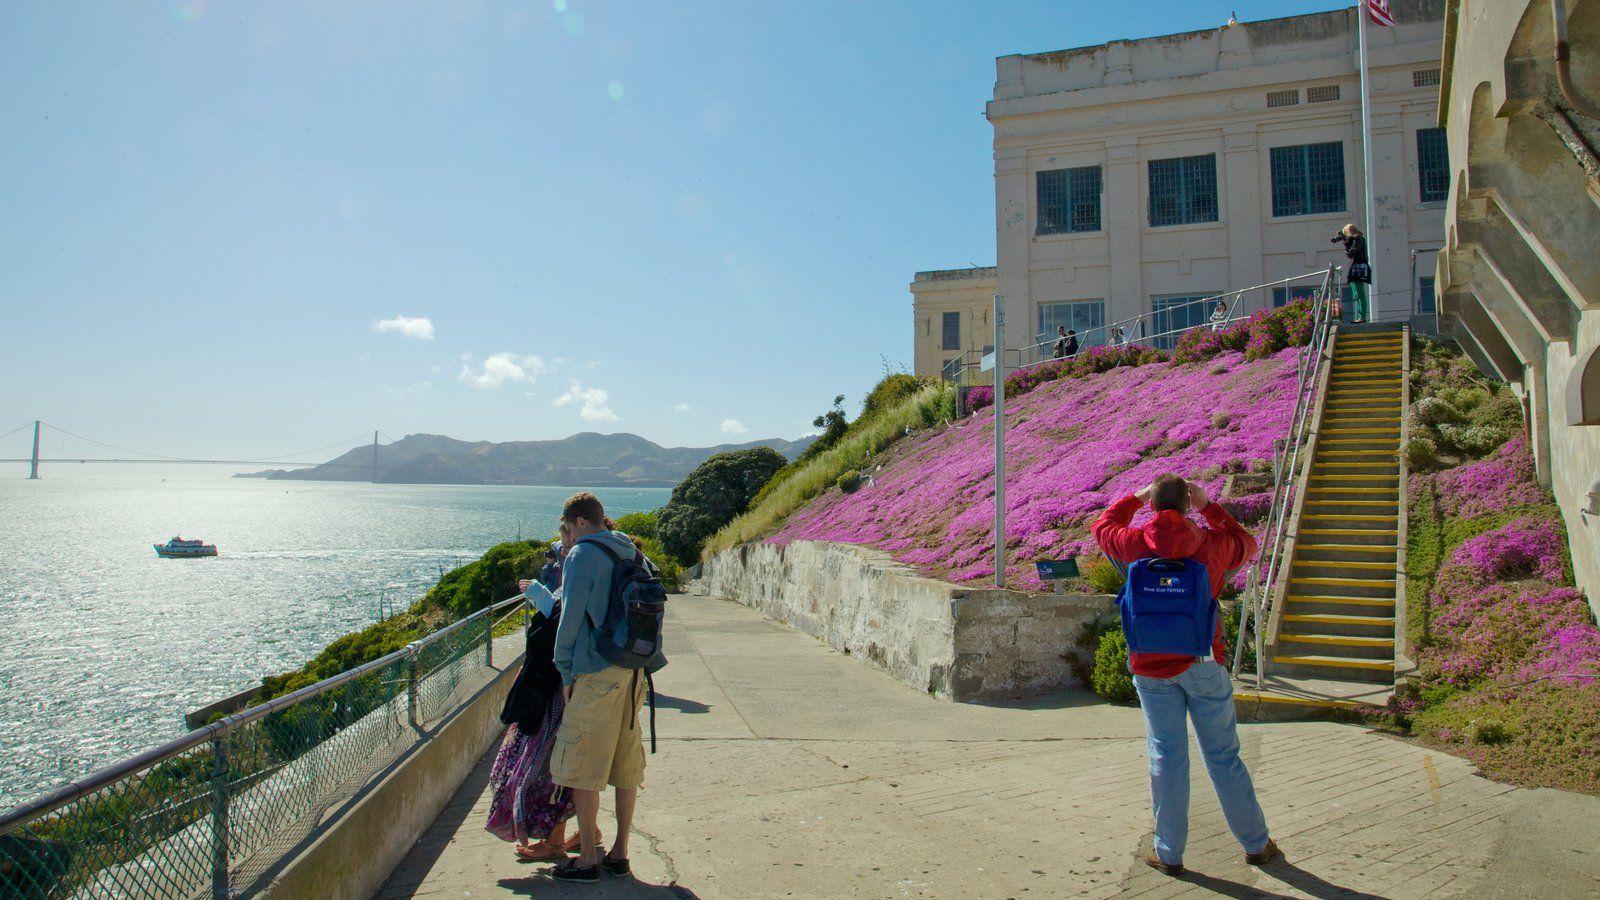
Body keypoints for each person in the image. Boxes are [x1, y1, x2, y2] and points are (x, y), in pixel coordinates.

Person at [1090, 474, 1281, 877]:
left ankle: (1169, 851)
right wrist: (1209, 507)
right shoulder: (1211, 545)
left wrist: (1134, 500)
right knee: (1223, 756)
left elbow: (1102, 527)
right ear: (1187, 503)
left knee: (1166, 756)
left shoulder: (1135, 543)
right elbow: (1247, 543)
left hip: (1151, 669)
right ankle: (1256, 843)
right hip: (1202, 662)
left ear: (1155, 505)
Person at [548, 492, 657, 884]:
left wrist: (565, 671)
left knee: (582, 767)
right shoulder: (630, 549)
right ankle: (620, 852)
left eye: (566, 528)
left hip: (595, 672)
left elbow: (570, 619)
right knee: (626, 765)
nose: (567, 537)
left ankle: (588, 859)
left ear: (579, 521)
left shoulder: (581, 554)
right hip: (633, 671)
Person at [484, 538, 599, 861]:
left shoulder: (576, 591)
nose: (561, 554)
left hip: (556, 696)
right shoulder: (583, 586)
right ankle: (581, 834)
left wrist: (541, 600)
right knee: (564, 771)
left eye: (565, 547)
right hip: (562, 693)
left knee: (551, 772)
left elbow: (560, 635)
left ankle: (555, 842)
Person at [1333, 224, 1372, 323]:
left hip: (1358, 268)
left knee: (1359, 293)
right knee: (1357, 293)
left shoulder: (1358, 239)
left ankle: (1362, 317)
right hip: (1357, 267)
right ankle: (1360, 316)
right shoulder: (1357, 239)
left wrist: (1346, 244)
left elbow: (1350, 253)